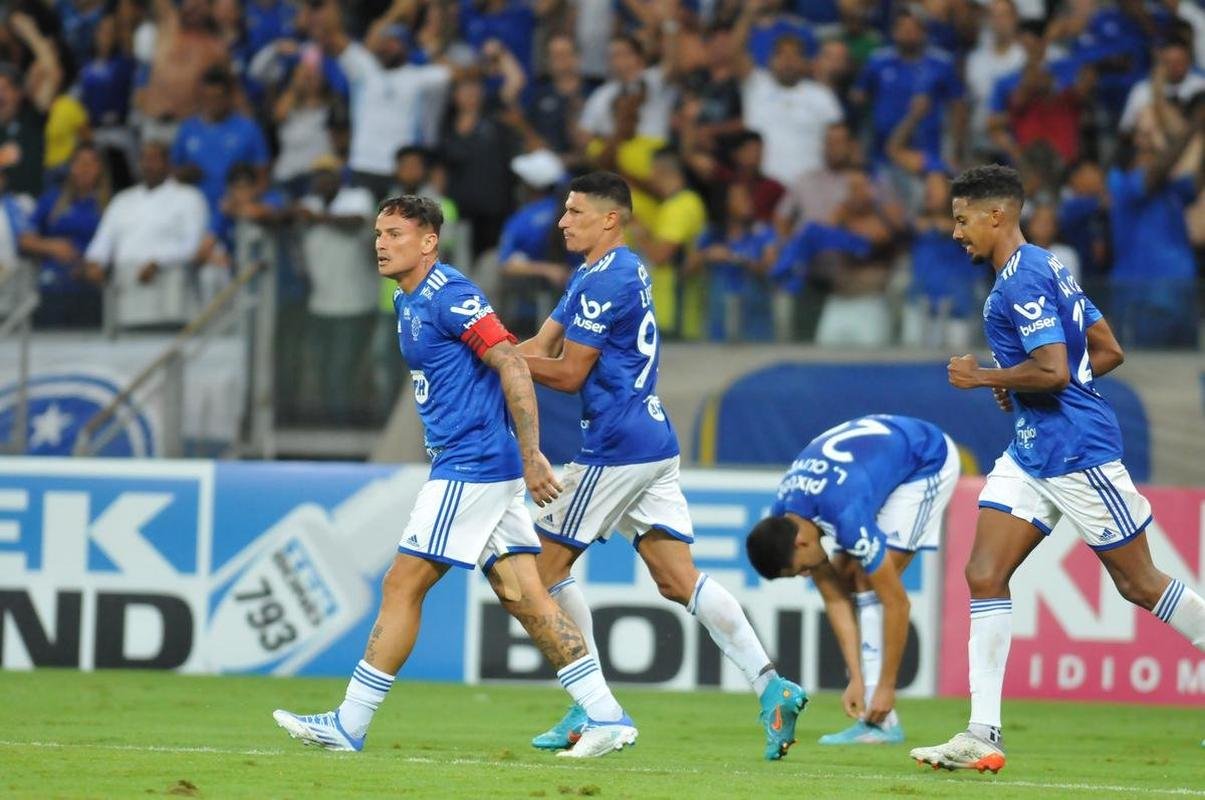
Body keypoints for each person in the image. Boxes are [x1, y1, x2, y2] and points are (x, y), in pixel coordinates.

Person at [273, 195, 637, 759]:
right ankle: (607, 714)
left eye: (394, 233)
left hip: (471, 465)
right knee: (522, 594)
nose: (381, 243)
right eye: (378, 233)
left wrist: (531, 453)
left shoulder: (452, 296)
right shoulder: (405, 299)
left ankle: (349, 722)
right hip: (474, 465)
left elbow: (511, 361)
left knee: (402, 584)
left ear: (428, 242)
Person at [910, 164, 1205, 773]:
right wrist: (1019, 390)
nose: (956, 232)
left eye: (963, 220)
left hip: (1076, 451)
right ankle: (982, 733)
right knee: (984, 571)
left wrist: (985, 376)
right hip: (1031, 450)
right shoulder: (1048, 266)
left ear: (998, 216)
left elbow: (1055, 370)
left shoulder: (1020, 282)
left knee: (1139, 583)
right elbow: (1107, 349)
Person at [518, 171, 806, 761]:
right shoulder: (596, 272)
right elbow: (536, 350)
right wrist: (490, 354)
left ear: (610, 219)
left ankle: (594, 707)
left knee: (537, 575)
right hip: (650, 439)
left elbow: (567, 373)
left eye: (574, 212)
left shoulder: (613, 275)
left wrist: (494, 362)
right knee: (678, 580)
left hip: (617, 444)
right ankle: (771, 685)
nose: (562, 221)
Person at [745, 414, 961, 746]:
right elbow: (833, 597)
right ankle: (874, 712)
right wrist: (855, 679)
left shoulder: (845, 515)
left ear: (801, 543)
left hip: (925, 459)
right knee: (848, 578)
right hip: (877, 457)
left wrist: (887, 687)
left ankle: (883, 720)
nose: (807, 574)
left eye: (799, 569)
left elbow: (897, 603)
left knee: (870, 582)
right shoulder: (786, 517)